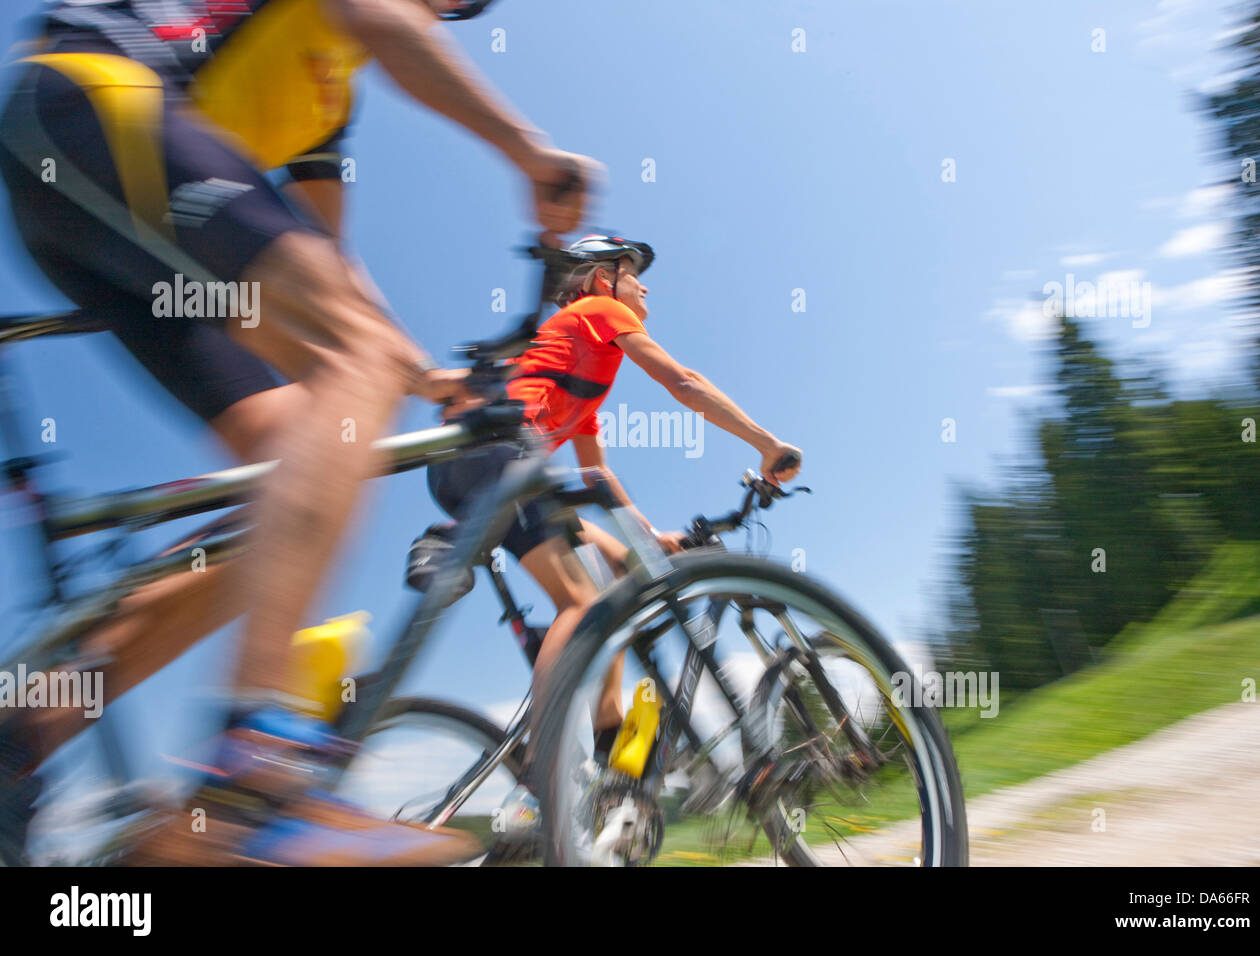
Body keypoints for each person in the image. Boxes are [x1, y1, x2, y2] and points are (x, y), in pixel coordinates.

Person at [0, 0, 602, 865]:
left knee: (301, 460)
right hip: (92, 101)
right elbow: (384, 21)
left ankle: (24, 736)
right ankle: (257, 768)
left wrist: (424, 374)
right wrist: (527, 151)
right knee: (347, 371)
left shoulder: (326, 100)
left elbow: (330, 267)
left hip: (108, 201)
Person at [414, 235, 803, 834]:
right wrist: (765, 443)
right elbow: (684, 381)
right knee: (582, 603)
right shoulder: (601, 313)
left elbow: (596, 475)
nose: (643, 286)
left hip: (480, 470)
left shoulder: (579, 371)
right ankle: (548, 761)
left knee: (623, 569)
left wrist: (651, 537)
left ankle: (606, 741)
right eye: (634, 274)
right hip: (500, 461)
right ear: (603, 280)